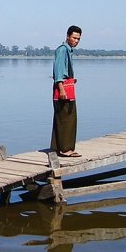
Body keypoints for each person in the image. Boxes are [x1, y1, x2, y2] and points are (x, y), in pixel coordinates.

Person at [52, 25, 82, 157]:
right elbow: (58, 71)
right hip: (63, 89)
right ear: (67, 36)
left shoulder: (68, 50)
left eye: (78, 39)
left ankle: (57, 147)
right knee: (68, 118)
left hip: (66, 87)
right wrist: (61, 89)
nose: (76, 41)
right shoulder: (63, 50)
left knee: (61, 118)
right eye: (74, 38)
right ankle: (65, 149)